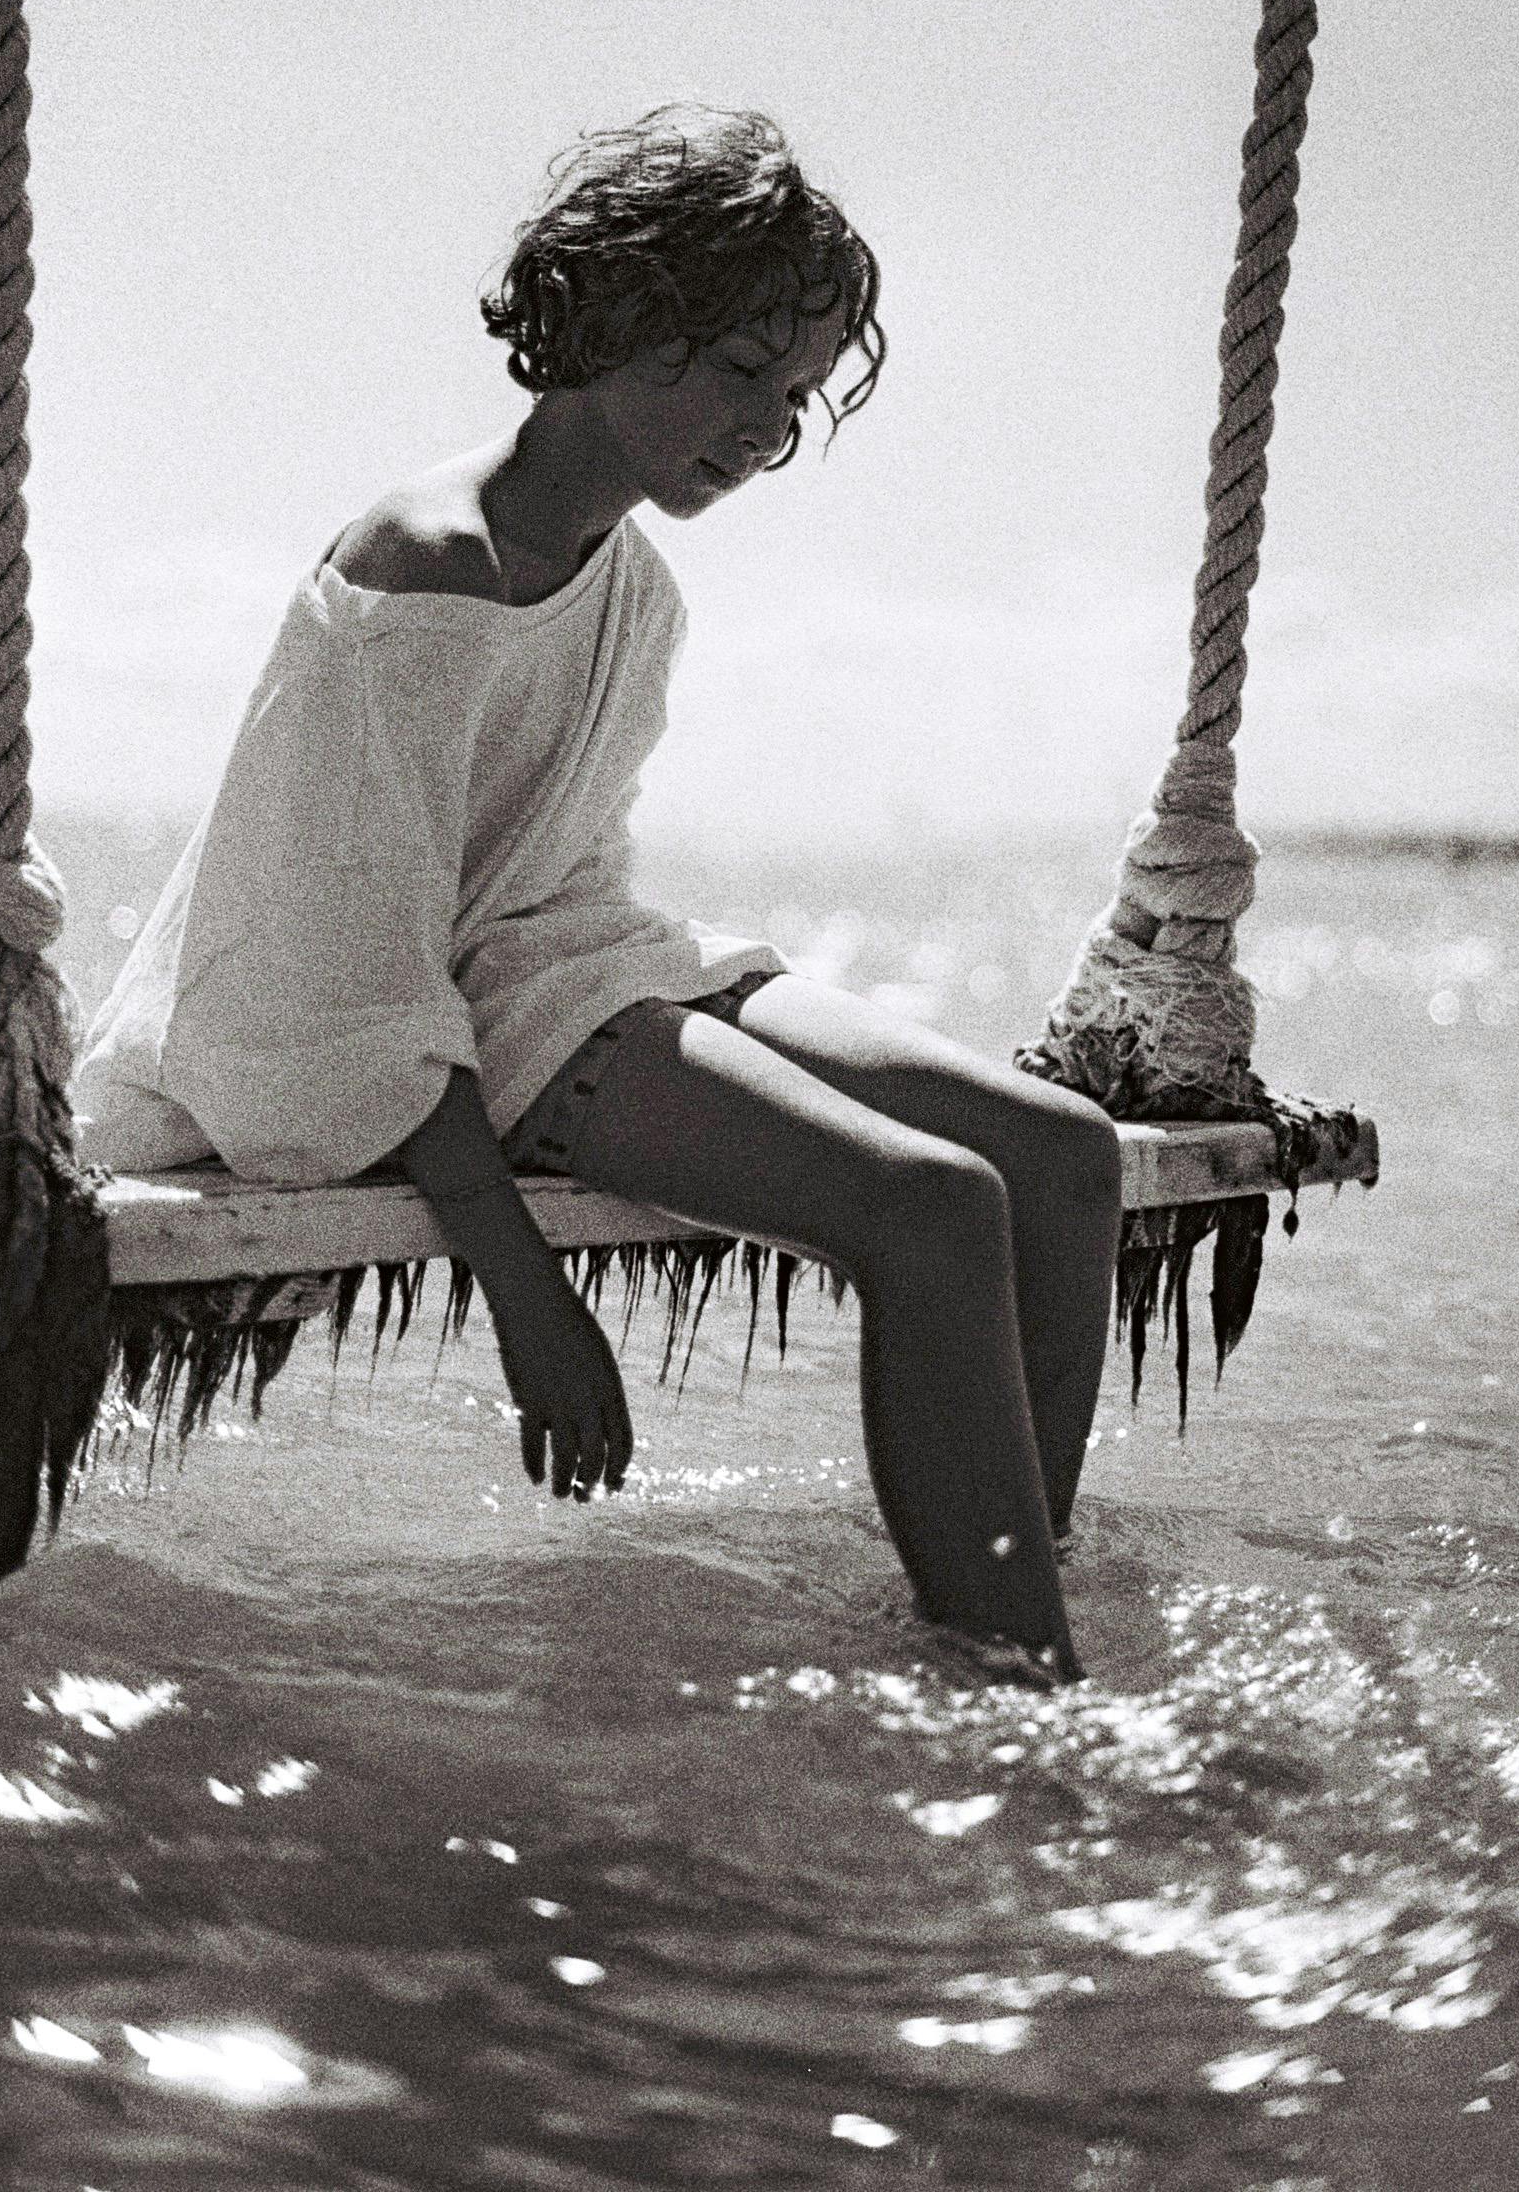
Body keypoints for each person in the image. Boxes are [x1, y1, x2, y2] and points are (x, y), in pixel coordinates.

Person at [73, 104, 1122, 1681]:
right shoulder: (426, 570)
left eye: (796, 394)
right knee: (929, 1205)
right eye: (734, 373)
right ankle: (1014, 1683)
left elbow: (557, 880)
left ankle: (992, 1591)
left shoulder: (634, 581)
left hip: (559, 956)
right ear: (611, 317)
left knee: (1056, 1155)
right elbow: (341, 970)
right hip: (386, 1012)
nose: (768, 430)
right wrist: (526, 1299)